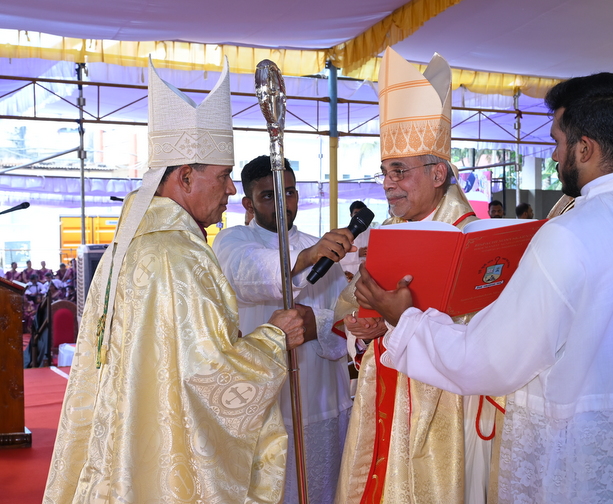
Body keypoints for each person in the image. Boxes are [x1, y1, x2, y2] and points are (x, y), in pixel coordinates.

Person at [353, 72, 613, 502]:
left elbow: (490, 361)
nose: (554, 154)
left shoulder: (567, 233)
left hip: (585, 458)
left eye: (558, 141)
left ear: (585, 148)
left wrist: (404, 319)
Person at [44, 58, 306, 504]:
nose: (229, 191)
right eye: (222, 177)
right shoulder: (178, 257)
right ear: (185, 176)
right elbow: (211, 383)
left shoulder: (131, 242)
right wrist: (274, 337)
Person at [334, 47, 497, 504]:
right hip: (387, 386)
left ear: (439, 171)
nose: (388, 184)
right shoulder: (388, 232)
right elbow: (352, 302)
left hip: (447, 402)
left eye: (399, 172)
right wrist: (361, 328)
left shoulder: (476, 239)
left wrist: (400, 318)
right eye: (385, 172)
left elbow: (492, 336)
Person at [213, 155, 354, 504]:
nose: (283, 203)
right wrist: (305, 258)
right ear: (248, 202)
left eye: (289, 192)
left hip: (320, 397)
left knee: (323, 489)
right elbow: (251, 274)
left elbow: (344, 317)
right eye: (268, 195)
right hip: (265, 403)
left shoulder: (322, 250)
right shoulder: (231, 243)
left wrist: (316, 326)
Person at [339, 200, 371, 280]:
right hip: (347, 275)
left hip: (368, 276)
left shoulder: (374, 233)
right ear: (351, 215)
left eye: (362, 213)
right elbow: (335, 257)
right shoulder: (342, 233)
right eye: (356, 213)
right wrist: (357, 254)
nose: (359, 216)